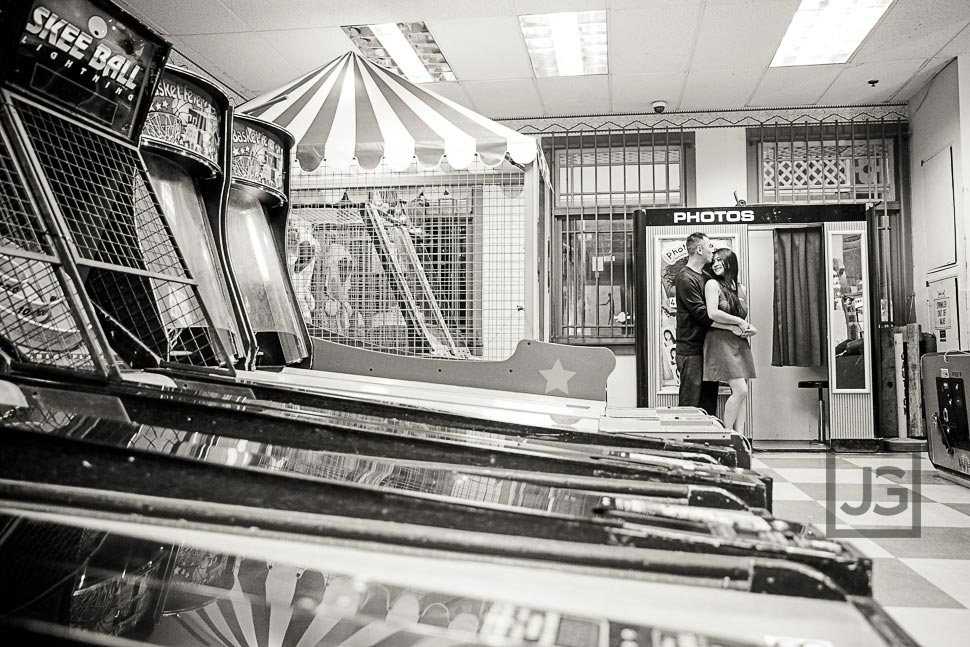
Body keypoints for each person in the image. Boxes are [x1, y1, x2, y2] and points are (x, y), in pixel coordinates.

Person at [702, 248, 757, 434]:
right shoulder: (712, 284)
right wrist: (740, 322)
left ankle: (740, 435)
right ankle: (727, 434)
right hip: (720, 341)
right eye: (714, 260)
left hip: (739, 342)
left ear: (731, 262)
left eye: (720, 260)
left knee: (742, 393)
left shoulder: (741, 288)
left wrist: (749, 328)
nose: (715, 263)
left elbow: (741, 317)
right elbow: (712, 314)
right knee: (741, 390)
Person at [674, 232, 719, 415]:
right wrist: (733, 324)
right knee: (690, 406)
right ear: (699, 249)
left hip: (708, 349)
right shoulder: (685, 278)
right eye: (710, 246)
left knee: (708, 406)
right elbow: (702, 314)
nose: (712, 250)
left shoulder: (706, 276)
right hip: (691, 351)